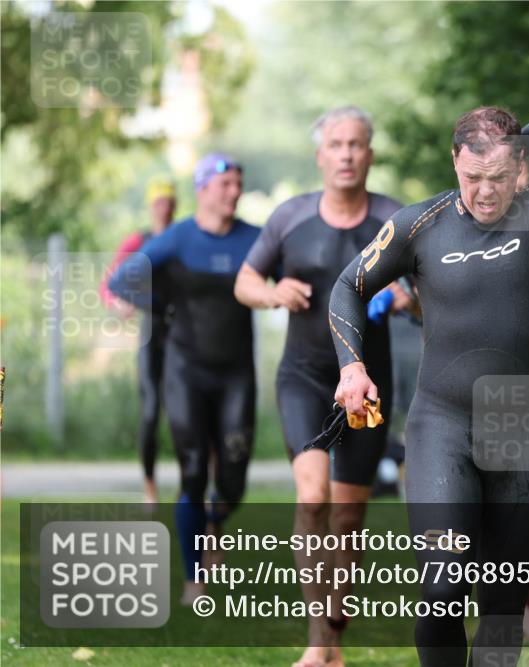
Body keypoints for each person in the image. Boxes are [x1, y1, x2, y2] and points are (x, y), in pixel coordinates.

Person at [328, 104, 529, 666]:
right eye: (473, 177)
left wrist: (516, 143)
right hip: (440, 428)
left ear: (520, 166)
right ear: (454, 163)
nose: (486, 193)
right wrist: (352, 367)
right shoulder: (419, 226)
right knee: (444, 590)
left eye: (498, 177)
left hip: (520, 436)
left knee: (502, 609)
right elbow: (348, 287)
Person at [234, 106, 409, 667]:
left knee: (348, 515)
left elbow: (431, 288)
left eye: (357, 144)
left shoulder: (394, 219)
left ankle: (335, 616)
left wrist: (410, 298)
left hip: (367, 386)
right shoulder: (290, 217)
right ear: (320, 155)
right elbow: (244, 281)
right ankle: (321, 641)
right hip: (304, 377)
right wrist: (273, 293)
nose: (347, 154)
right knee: (312, 497)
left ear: (370, 154)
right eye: (336, 144)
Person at [108, 153, 259, 605]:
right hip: (185, 371)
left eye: (238, 183)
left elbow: (296, 275)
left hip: (236, 373)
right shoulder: (176, 239)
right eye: (225, 183)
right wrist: (162, 304)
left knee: (232, 480)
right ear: (203, 189)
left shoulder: (255, 238)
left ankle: (215, 520)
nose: (234, 191)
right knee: (192, 472)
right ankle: (194, 577)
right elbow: (119, 282)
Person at [100, 177, 177, 504]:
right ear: (151, 205)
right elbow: (109, 281)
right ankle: (149, 487)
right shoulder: (139, 240)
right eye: (159, 202)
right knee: (149, 412)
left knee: (184, 413)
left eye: (169, 202)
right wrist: (118, 302)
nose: (164, 208)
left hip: (182, 336)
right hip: (151, 334)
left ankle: (194, 486)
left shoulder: (182, 237)